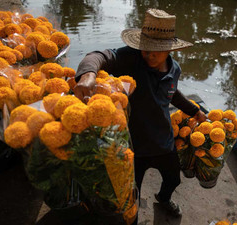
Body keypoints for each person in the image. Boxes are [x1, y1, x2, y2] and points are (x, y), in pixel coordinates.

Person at [74, 8, 206, 222]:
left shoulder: (175, 69)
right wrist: (87, 75)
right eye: (146, 48)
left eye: (156, 50)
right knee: (130, 195)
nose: (149, 54)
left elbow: (172, 93)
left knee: (173, 180)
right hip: (132, 148)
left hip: (164, 143)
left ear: (170, 49)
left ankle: (163, 199)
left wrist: (194, 110)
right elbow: (98, 56)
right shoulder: (130, 59)